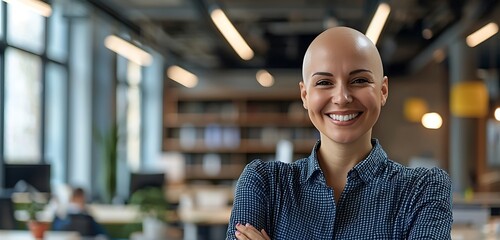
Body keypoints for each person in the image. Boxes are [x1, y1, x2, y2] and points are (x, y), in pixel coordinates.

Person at [226, 26, 452, 239]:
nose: (342, 97)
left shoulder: (423, 189)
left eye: (360, 80)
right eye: (324, 82)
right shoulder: (264, 182)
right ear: (305, 95)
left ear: (383, 91)